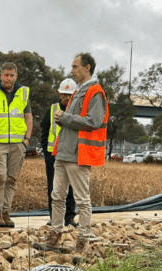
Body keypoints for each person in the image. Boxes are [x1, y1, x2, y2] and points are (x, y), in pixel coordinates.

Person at [40, 52, 109, 251]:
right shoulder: (80, 91)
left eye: (75, 67)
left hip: (79, 154)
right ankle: (54, 236)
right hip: (64, 153)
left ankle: (83, 241)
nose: (72, 71)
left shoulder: (95, 92)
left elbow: (93, 122)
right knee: (57, 196)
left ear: (87, 68)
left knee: (82, 199)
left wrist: (65, 118)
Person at [0, 62, 33, 228]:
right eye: (5, 75)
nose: (8, 78)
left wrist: (26, 140)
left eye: (11, 75)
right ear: (1, 75)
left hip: (18, 144)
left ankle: (6, 213)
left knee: (11, 179)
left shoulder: (23, 93)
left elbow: (28, 117)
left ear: (16, 76)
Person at [41, 78, 77, 227]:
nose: (67, 98)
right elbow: (44, 132)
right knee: (54, 188)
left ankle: (69, 218)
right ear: (59, 93)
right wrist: (46, 152)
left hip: (71, 155)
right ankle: (54, 217)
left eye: (70, 94)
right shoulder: (51, 109)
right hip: (53, 155)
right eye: (64, 94)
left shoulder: (77, 111)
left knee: (71, 188)